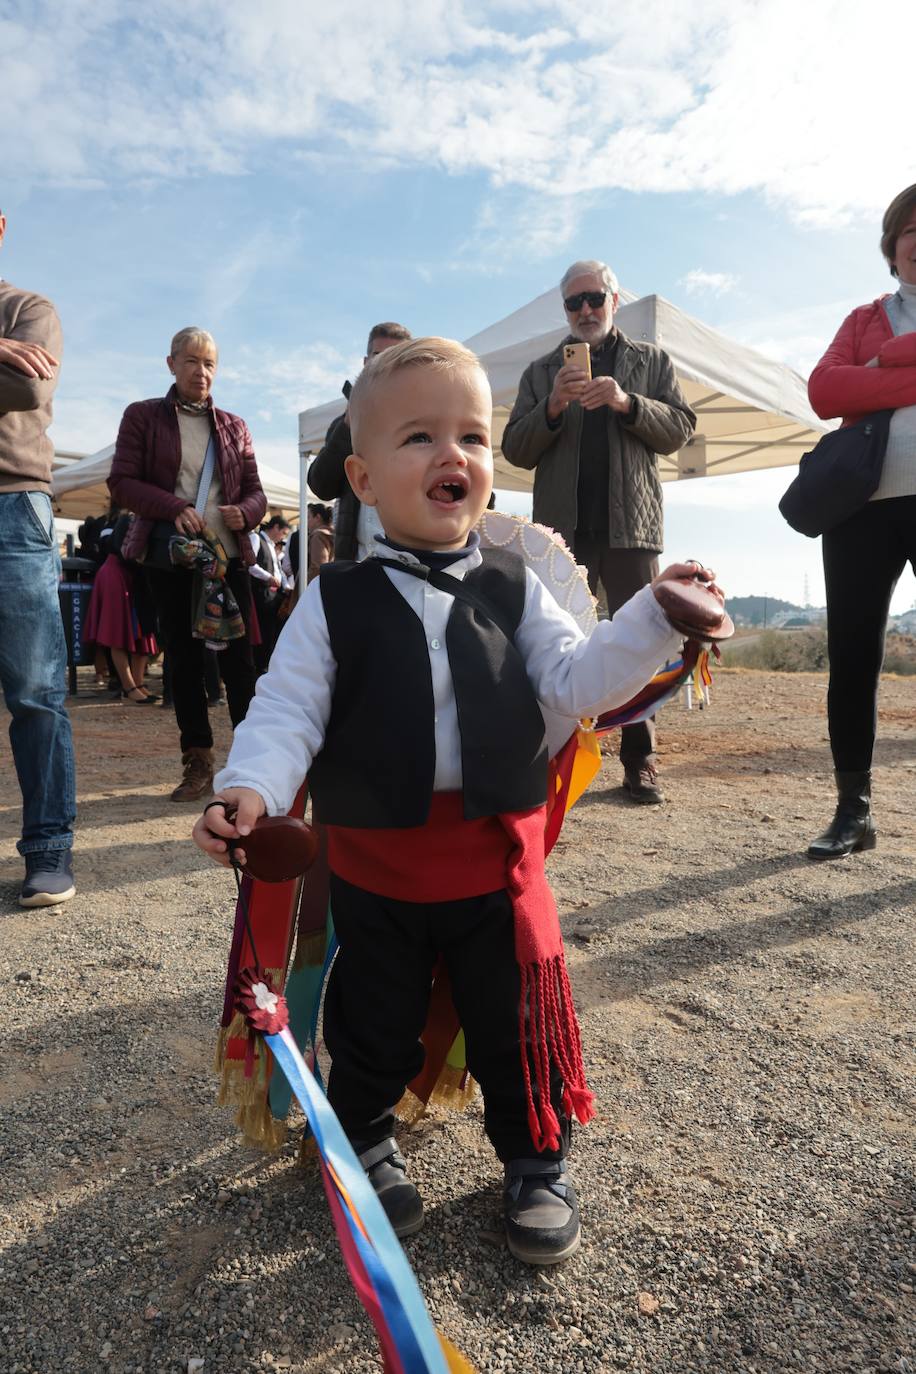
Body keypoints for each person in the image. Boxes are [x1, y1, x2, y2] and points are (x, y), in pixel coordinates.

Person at [192, 336, 713, 1265]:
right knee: (375, 1018)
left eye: (472, 436)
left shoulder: (519, 585)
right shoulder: (334, 600)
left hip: (496, 863)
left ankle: (536, 1157)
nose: (454, 455)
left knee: (513, 1019)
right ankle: (363, 1137)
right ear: (361, 478)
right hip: (378, 864)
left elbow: (577, 682)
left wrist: (651, 614)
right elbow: (286, 709)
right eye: (420, 437)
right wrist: (250, 788)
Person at [502, 260, 696, 805]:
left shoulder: (651, 361)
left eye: (594, 298)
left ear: (614, 300)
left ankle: (640, 759)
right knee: (553, 641)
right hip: (561, 534)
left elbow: (680, 429)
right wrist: (552, 406)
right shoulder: (541, 372)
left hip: (631, 525)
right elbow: (514, 448)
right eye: (574, 302)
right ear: (565, 309)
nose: (585, 310)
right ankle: (552, 758)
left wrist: (626, 402)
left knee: (643, 641)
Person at [109, 327, 267, 801]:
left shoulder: (235, 426)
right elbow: (122, 482)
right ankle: (197, 762)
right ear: (172, 364)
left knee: (240, 664)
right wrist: (173, 507)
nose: (202, 372)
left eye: (210, 363)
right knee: (182, 660)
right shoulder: (142, 416)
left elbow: (256, 492)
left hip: (227, 559)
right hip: (170, 557)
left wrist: (247, 512)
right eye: (192, 361)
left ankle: (252, 765)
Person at [805, 183, 916, 859]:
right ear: (892, 246)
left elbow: (852, 386)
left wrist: (880, 369)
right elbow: (824, 392)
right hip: (860, 506)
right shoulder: (863, 317)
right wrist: (898, 361)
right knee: (852, 658)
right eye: (910, 230)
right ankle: (854, 812)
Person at [0, 207, 77, 906]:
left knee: (35, 690)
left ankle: (49, 849)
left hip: (13, 505)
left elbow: (26, 388)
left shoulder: (29, 310)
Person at [308, 322, 411, 560]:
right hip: (357, 564)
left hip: (412, 564)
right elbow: (321, 486)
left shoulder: (426, 421)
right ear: (366, 363)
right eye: (379, 356)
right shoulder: (343, 424)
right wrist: (348, 425)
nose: (386, 365)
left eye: (396, 357)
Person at [82, 512, 159, 703]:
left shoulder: (146, 518)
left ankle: (137, 684)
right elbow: (122, 550)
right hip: (117, 575)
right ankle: (129, 686)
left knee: (142, 631)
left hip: (135, 576)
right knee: (117, 634)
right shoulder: (128, 519)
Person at [249, 514, 291, 673]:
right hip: (262, 594)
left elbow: (279, 569)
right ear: (275, 527)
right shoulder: (256, 539)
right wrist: (269, 577)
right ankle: (260, 665)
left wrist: (285, 585)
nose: (283, 537)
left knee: (272, 631)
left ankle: (266, 663)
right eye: (283, 533)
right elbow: (251, 565)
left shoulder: (271, 545)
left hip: (274, 595)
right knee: (263, 631)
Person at [304, 502, 333, 582]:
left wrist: (308, 585)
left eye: (308, 517)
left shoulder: (318, 535)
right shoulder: (335, 534)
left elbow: (318, 566)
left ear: (317, 517)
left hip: (318, 584)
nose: (306, 522)